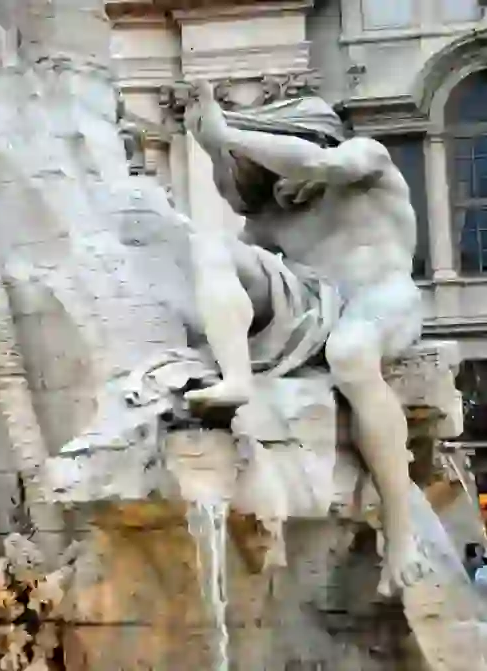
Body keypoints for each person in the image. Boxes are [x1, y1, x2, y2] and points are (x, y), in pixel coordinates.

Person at [183, 81, 424, 596]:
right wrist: (213, 148)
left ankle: (401, 535)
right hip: (318, 305)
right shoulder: (269, 217)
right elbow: (234, 212)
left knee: (352, 353)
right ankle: (237, 379)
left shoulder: (364, 160)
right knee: (211, 249)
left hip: (382, 298)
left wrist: (229, 133)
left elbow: (321, 165)